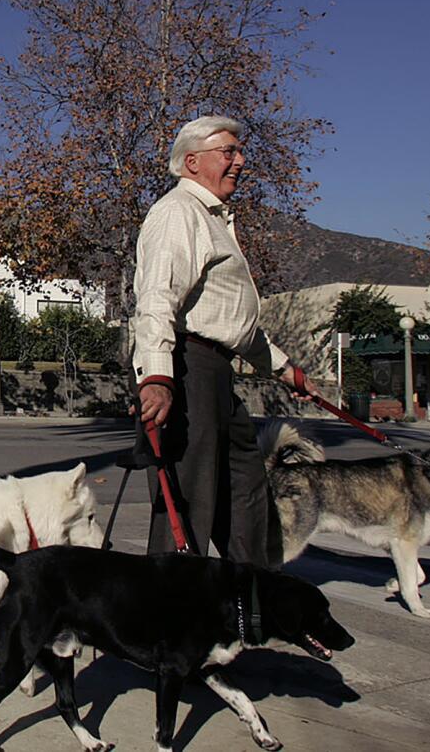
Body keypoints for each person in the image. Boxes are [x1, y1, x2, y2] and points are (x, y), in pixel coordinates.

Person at [130, 115, 317, 568]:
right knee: (188, 503)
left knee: (246, 498)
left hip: (216, 372)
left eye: (238, 151)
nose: (240, 160)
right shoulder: (179, 212)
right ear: (192, 161)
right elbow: (157, 296)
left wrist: (283, 369)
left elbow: (231, 322)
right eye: (228, 151)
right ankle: (172, 624)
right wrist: (156, 375)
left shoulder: (212, 219)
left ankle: (248, 609)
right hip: (186, 368)